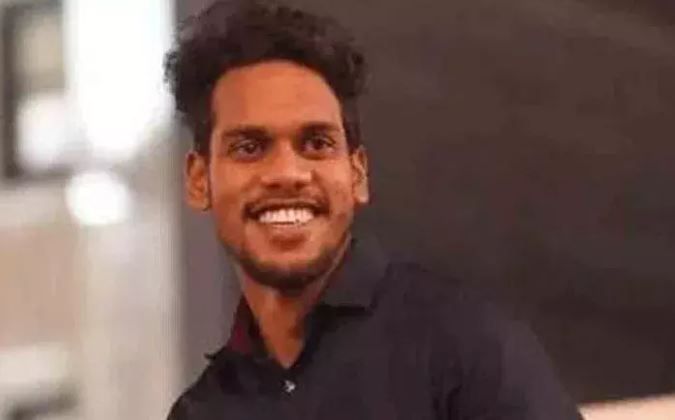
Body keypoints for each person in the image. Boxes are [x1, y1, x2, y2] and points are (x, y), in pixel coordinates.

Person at [163, 1, 583, 418]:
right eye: (249, 147)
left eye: (316, 144)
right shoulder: (200, 412)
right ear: (199, 180)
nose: (288, 174)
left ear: (357, 174)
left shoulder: (469, 352)